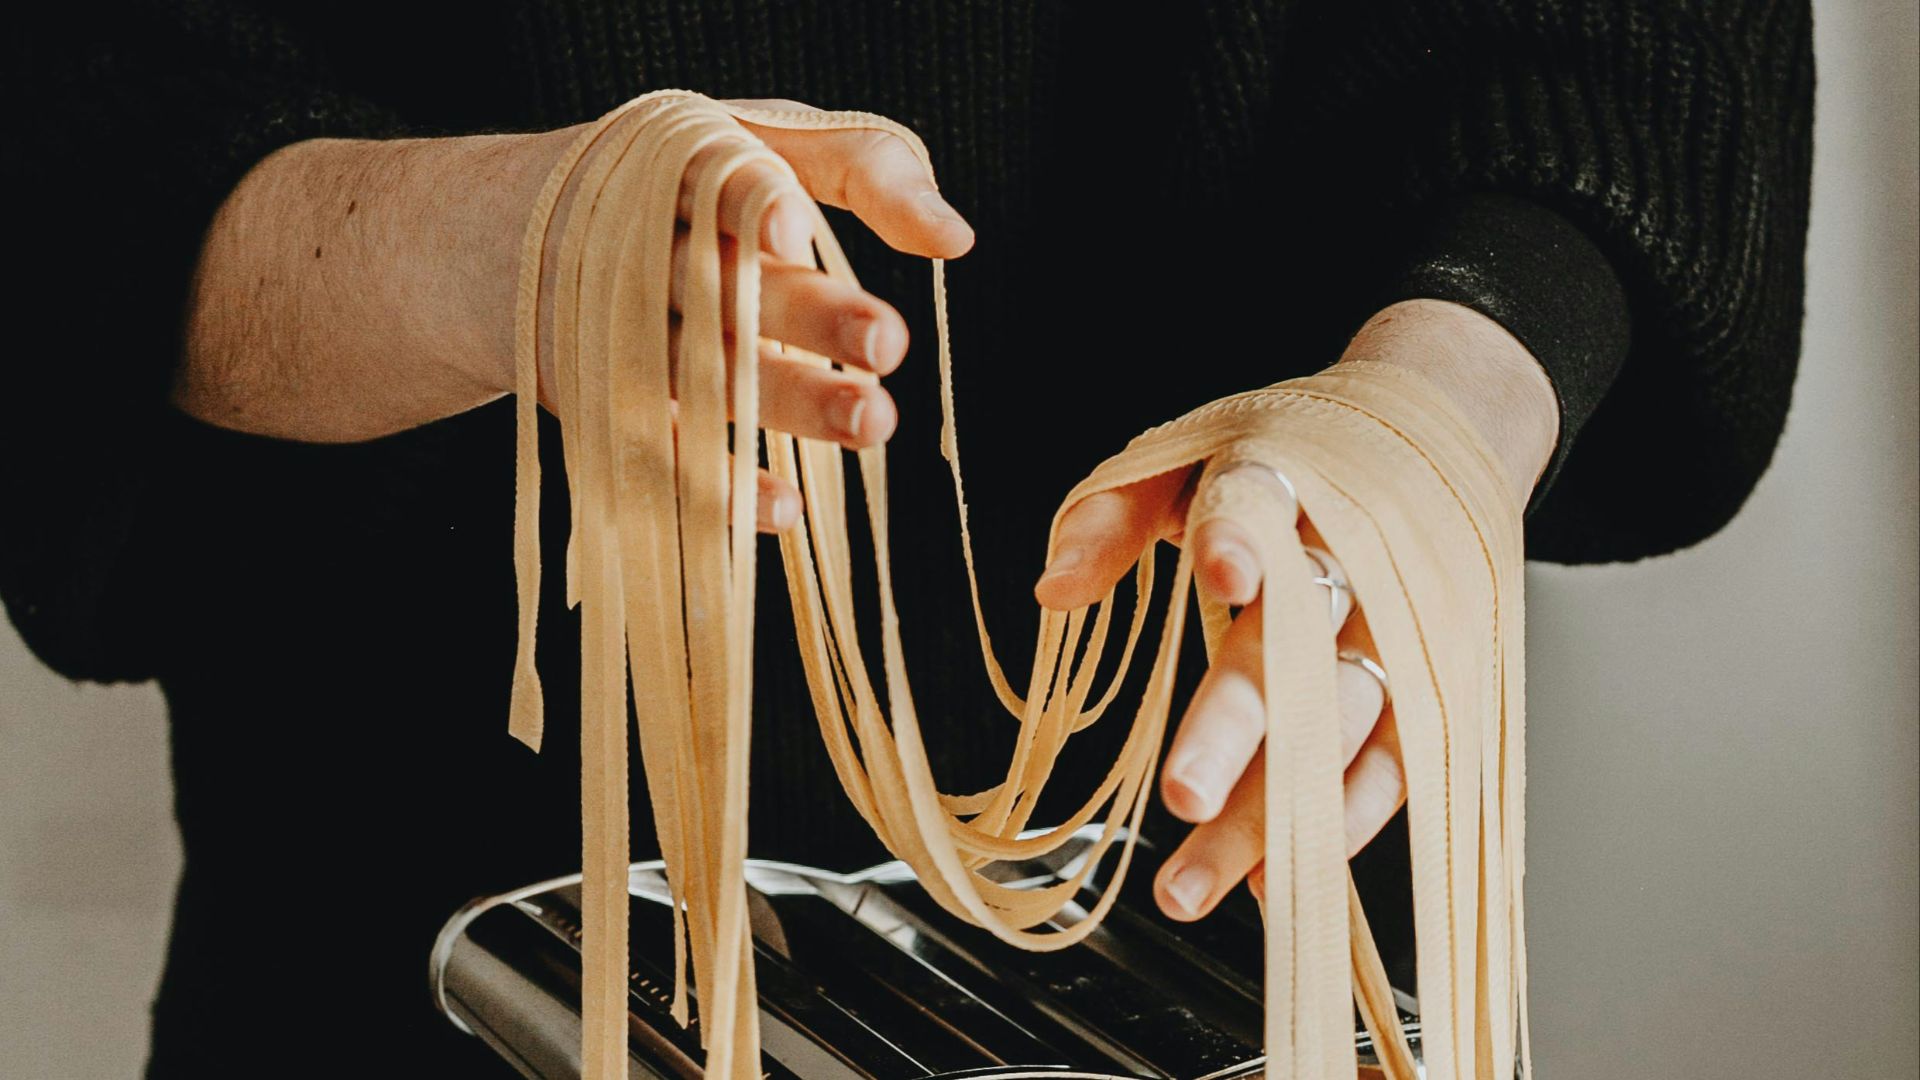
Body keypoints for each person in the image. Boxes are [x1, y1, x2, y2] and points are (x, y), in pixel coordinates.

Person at [1, 2, 1812, 1076]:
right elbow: (73, 132)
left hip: (1246, 967)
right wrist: (487, 247)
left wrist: (1436, 412)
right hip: (397, 964)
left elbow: (1625, 54)